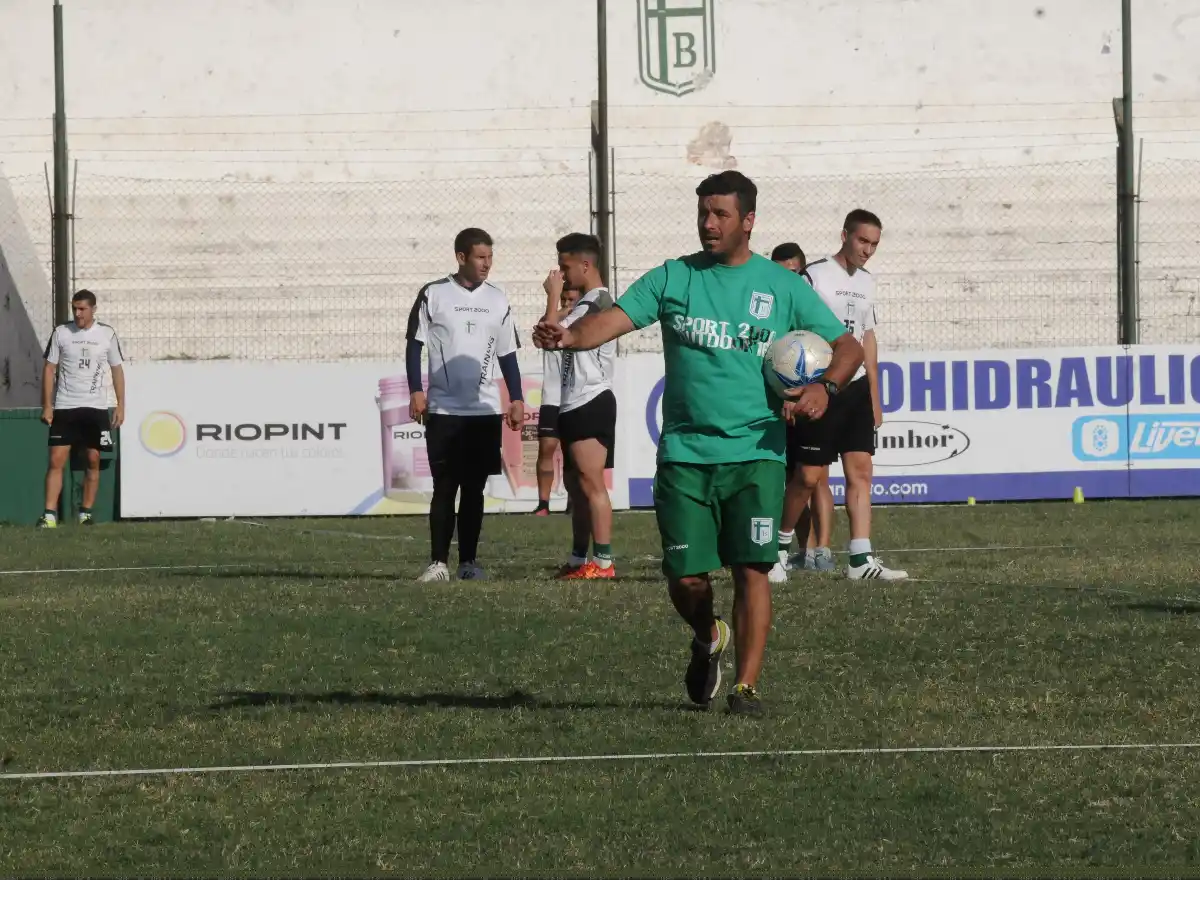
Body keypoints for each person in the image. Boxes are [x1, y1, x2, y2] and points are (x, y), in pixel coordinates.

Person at [533, 171, 863, 716]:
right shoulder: (674, 278)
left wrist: (825, 389)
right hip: (686, 454)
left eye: (721, 214)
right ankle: (708, 632)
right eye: (704, 213)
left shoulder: (781, 287)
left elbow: (845, 346)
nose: (709, 224)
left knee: (752, 569)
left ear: (748, 221)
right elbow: (608, 322)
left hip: (757, 451)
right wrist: (568, 336)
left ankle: (746, 687)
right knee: (685, 578)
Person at [778, 209, 908, 581]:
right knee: (807, 476)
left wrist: (875, 396)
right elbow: (790, 331)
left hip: (856, 391)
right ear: (845, 236)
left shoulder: (868, 282)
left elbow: (867, 338)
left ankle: (860, 559)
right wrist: (789, 392)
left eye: (874, 244)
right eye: (862, 241)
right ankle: (777, 551)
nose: (867, 250)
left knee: (861, 471)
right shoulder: (814, 276)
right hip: (821, 385)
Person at [405, 227, 524, 582]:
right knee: (445, 485)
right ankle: (438, 563)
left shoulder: (498, 299)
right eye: (480, 257)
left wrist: (515, 397)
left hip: (484, 409)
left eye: (490, 257)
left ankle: (468, 563)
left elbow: (508, 353)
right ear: (461, 257)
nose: (487, 264)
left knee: (474, 488)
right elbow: (414, 345)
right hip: (443, 408)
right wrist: (416, 389)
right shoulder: (433, 294)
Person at [541, 232, 619, 580]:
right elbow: (548, 336)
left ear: (585, 265)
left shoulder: (599, 304)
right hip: (572, 402)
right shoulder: (584, 304)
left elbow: (551, 333)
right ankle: (577, 559)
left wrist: (553, 297)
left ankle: (603, 563)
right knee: (576, 488)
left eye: (565, 266)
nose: (561, 273)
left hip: (591, 399)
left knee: (592, 484)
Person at [37, 288, 126, 528]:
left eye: (82, 309)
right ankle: (49, 515)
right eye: (75, 309)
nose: (78, 314)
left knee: (93, 458)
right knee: (56, 459)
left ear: (93, 309)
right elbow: (48, 369)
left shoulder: (106, 334)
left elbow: (117, 369)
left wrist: (120, 405)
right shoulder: (61, 333)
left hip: (95, 407)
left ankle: (85, 513)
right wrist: (47, 405)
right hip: (65, 405)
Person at [768, 241, 829, 575]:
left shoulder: (811, 309)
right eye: (780, 273)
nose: (786, 279)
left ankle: (816, 549)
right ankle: (799, 550)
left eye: (792, 272)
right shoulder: (766, 310)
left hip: (808, 402)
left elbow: (825, 355)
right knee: (790, 479)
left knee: (812, 476)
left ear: (802, 273)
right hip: (776, 405)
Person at [532, 284, 581, 517]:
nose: (568, 304)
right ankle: (543, 504)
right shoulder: (552, 320)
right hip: (551, 395)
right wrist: (564, 311)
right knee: (547, 447)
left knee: (575, 453)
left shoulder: (584, 323)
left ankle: (574, 502)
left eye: (573, 300)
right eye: (565, 300)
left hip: (574, 395)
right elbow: (543, 328)